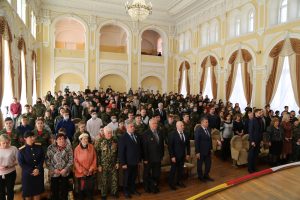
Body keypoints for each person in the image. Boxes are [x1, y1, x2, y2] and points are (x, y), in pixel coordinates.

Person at [18, 131, 45, 200]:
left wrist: (38, 169)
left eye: (33, 136)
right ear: (25, 138)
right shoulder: (21, 150)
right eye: (30, 137)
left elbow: (42, 159)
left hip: (38, 174)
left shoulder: (39, 146)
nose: (32, 138)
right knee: (28, 195)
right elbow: (22, 163)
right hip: (28, 175)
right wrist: (32, 171)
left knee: (37, 193)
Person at [46, 133, 73, 200]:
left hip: (65, 172)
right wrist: (54, 169)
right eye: (59, 139)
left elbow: (71, 160)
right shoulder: (50, 148)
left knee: (65, 190)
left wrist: (66, 169)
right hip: (54, 173)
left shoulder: (68, 147)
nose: (61, 140)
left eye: (63, 139)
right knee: (55, 191)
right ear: (56, 140)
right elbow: (47, 161)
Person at [118, 122, 141, 198]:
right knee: (127, 178)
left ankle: (133, 189)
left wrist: (139, 159)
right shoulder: (123, 137)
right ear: (127, 128)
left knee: (134, 177)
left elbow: (138, 148)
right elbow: (121, 152)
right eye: (131, 126)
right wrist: (123, 163)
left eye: (133, 126)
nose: (133, 127)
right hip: (127, 162)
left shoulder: (137, 135)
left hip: (135, 161)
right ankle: (126, 191)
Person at [95, 126, 119, 200]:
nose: (110, 134)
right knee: (104, 180)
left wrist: (117, 162)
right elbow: (97, 154)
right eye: (108, 133)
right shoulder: (100, 141)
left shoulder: (115, 140)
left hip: (113, 163)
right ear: (104, 133)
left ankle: (114, 192)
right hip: (103, 164)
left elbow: (118, 152)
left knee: (115, 179)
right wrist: (99, 165)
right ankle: (103, 194)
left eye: (111, 133)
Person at [142, 118, 164, 193]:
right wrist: (145, 158)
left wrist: (162, 155)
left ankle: (154, 187)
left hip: (158, 158)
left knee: (156, 174)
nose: (155, 125)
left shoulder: (160, 132)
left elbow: (161, 145)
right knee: (147, 174)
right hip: (148, 158)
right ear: (150, 124)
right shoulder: (145, 134)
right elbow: (144, 148)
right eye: (154, 123)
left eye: (156, 123)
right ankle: (147, 187)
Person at [74, 133, 97, 200]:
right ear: (80, 140)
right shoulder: (76, 149)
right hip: (81, 173)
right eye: (84, 139)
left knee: (90, 187)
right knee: (81, 187)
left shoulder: (92, 147)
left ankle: (90, 197)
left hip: (90, 171)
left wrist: (91, 168)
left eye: (86, 138)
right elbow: (76, 161)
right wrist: (83, 171)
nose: (86, 140)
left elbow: (94, 158)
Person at [168, 121, 190, 190]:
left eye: (183, 125)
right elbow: (170, 147)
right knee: (173, 171)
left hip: (182, 156)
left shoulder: (186, 133)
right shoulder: (172, 134)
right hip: (175, 156)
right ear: (177, 126)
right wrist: (172, 156)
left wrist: (188, 154)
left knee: (181, 170)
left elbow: (188, 145)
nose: (183, 126)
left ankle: (179, 182)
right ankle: (171, 184)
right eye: (181, 125)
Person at [194, 117, 214, 182]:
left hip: (208, 150)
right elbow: (196, 141)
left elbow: (210, 140)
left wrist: (211, 148)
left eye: (207, 122)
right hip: (201, 151)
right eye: (206, 122)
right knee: (199, 165)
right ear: (202, 123)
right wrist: (197, 152)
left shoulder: (208, 129)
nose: (207, 123)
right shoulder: (198, 130)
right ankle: (200, 177)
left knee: (208, 164)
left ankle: (206, 175)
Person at [0, 134, 18, 200]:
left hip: (11, 173)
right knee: (1, 192)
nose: (5, 144)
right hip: (0, 174)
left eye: (7, 143)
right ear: (0, 142)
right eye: (3, 143)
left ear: (10, 141)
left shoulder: (14, 148)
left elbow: (18, 161)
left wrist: (10, 165)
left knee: (10, 191)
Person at [247, 109, 263, 173]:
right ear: (255, 113)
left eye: (261, 112)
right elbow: (250, 132)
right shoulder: (252, 120)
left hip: (258, 140)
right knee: (251, 155)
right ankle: (250, 168)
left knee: (256, 155)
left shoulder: (261, 120)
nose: (261, 113)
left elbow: (261, 131)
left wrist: (261, 140)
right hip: (253, 140)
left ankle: (254, 167)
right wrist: (252, 141)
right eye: (259, 112)